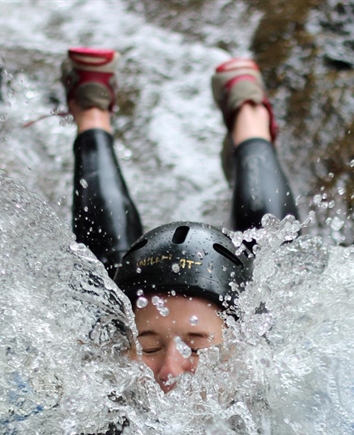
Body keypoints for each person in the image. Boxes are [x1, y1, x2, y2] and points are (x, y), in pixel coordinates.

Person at [62, 47, 298, 392]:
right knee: (105, 280)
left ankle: (249, 113)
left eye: (197, 346)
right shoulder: (107, 377)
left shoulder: (270, 364)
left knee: (274, 254)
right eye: (149, 347)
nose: (169, 372)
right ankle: (90, 107)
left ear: (237, 346)